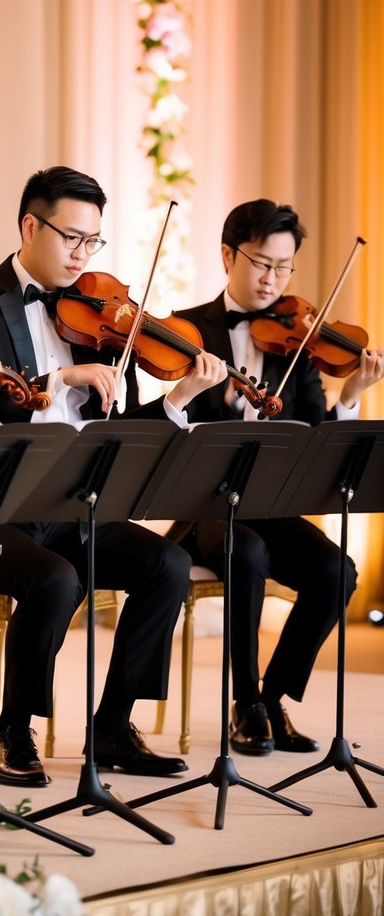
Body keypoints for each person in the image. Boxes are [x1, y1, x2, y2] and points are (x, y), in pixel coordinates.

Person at [0, 166, 229, 785]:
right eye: (71, 238)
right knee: (56, 581)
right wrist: (56, 382)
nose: (82, 255)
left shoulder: (101, 316)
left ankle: (113, 726)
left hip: (73, 503)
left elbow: (127, 424)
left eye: (93, 242)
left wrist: (182, 397)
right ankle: (13, 728)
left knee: (164, 565)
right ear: (30, 226)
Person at [173, 199, 384, 756]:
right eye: (262, 263)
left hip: (273, 508)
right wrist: (198, 398)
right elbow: (170, 433)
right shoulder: (189, 330)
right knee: (247, 551)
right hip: (208, 511)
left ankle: (272, 698)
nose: (273, 279)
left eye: (285, 266)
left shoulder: (302, 341)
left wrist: (351, 397)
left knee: (336, 571)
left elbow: (317, 439)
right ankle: (243, 702)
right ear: (227, 255)